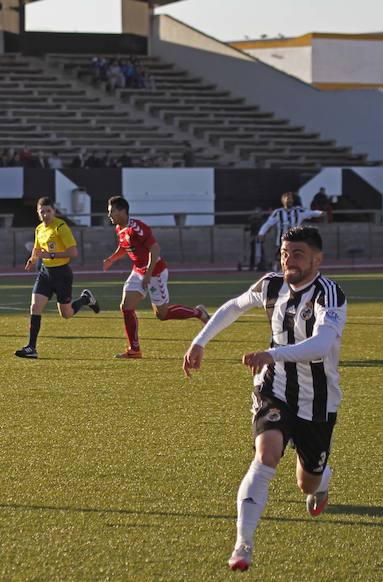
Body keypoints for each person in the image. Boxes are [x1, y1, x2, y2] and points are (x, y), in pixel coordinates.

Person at [182, 225, 347, 572]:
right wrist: (200, 341)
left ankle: (322, 478)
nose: (289, 260)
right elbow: (233, 306)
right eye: (285, 253)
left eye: (298, 253)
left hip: (317, 400)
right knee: (266, 453)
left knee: (308, 481)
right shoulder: (272, 283)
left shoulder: (328, 294)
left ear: (317, 258)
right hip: (274, 387)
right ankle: (243, 544)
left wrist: (274, 353)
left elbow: (322, 344)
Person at [102, 196, 209, 358]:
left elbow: (155, 250)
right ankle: (134, 350)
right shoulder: (119, 228)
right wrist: (111, 259)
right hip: (138, 271)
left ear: (123, 211)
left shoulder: (137, 227)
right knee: (126, 306)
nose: (109, 215)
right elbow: (124, 247)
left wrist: (149, 274)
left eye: (112, 212)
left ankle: (198, 312)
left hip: (155, 272)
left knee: (162, 314)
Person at [15, 197, 100, 359]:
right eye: (42, 211)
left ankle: (85, 299)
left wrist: (51, 254)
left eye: (48, 211)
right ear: (38, 213)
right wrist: (32, 260)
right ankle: (31, 348)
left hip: (62, 275)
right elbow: (37, 248)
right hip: (45, 274)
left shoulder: (61, 227)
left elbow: (73, 252)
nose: (45, 214)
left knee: (66, 314)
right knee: (35, 307)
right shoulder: (39, 229)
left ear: (54, 211)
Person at [257, 191, 323, 270]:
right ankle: (277, 274)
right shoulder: (278, 213)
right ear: (283, 201)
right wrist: (261, 233)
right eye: (288, 199)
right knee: (279, 259)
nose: (290, 201)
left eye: (291, 199)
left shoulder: (298, 211)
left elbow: (310, 213)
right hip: (282, 242)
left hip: (296, 241)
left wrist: (320, 213)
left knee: (296, 259)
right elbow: (268, 223)